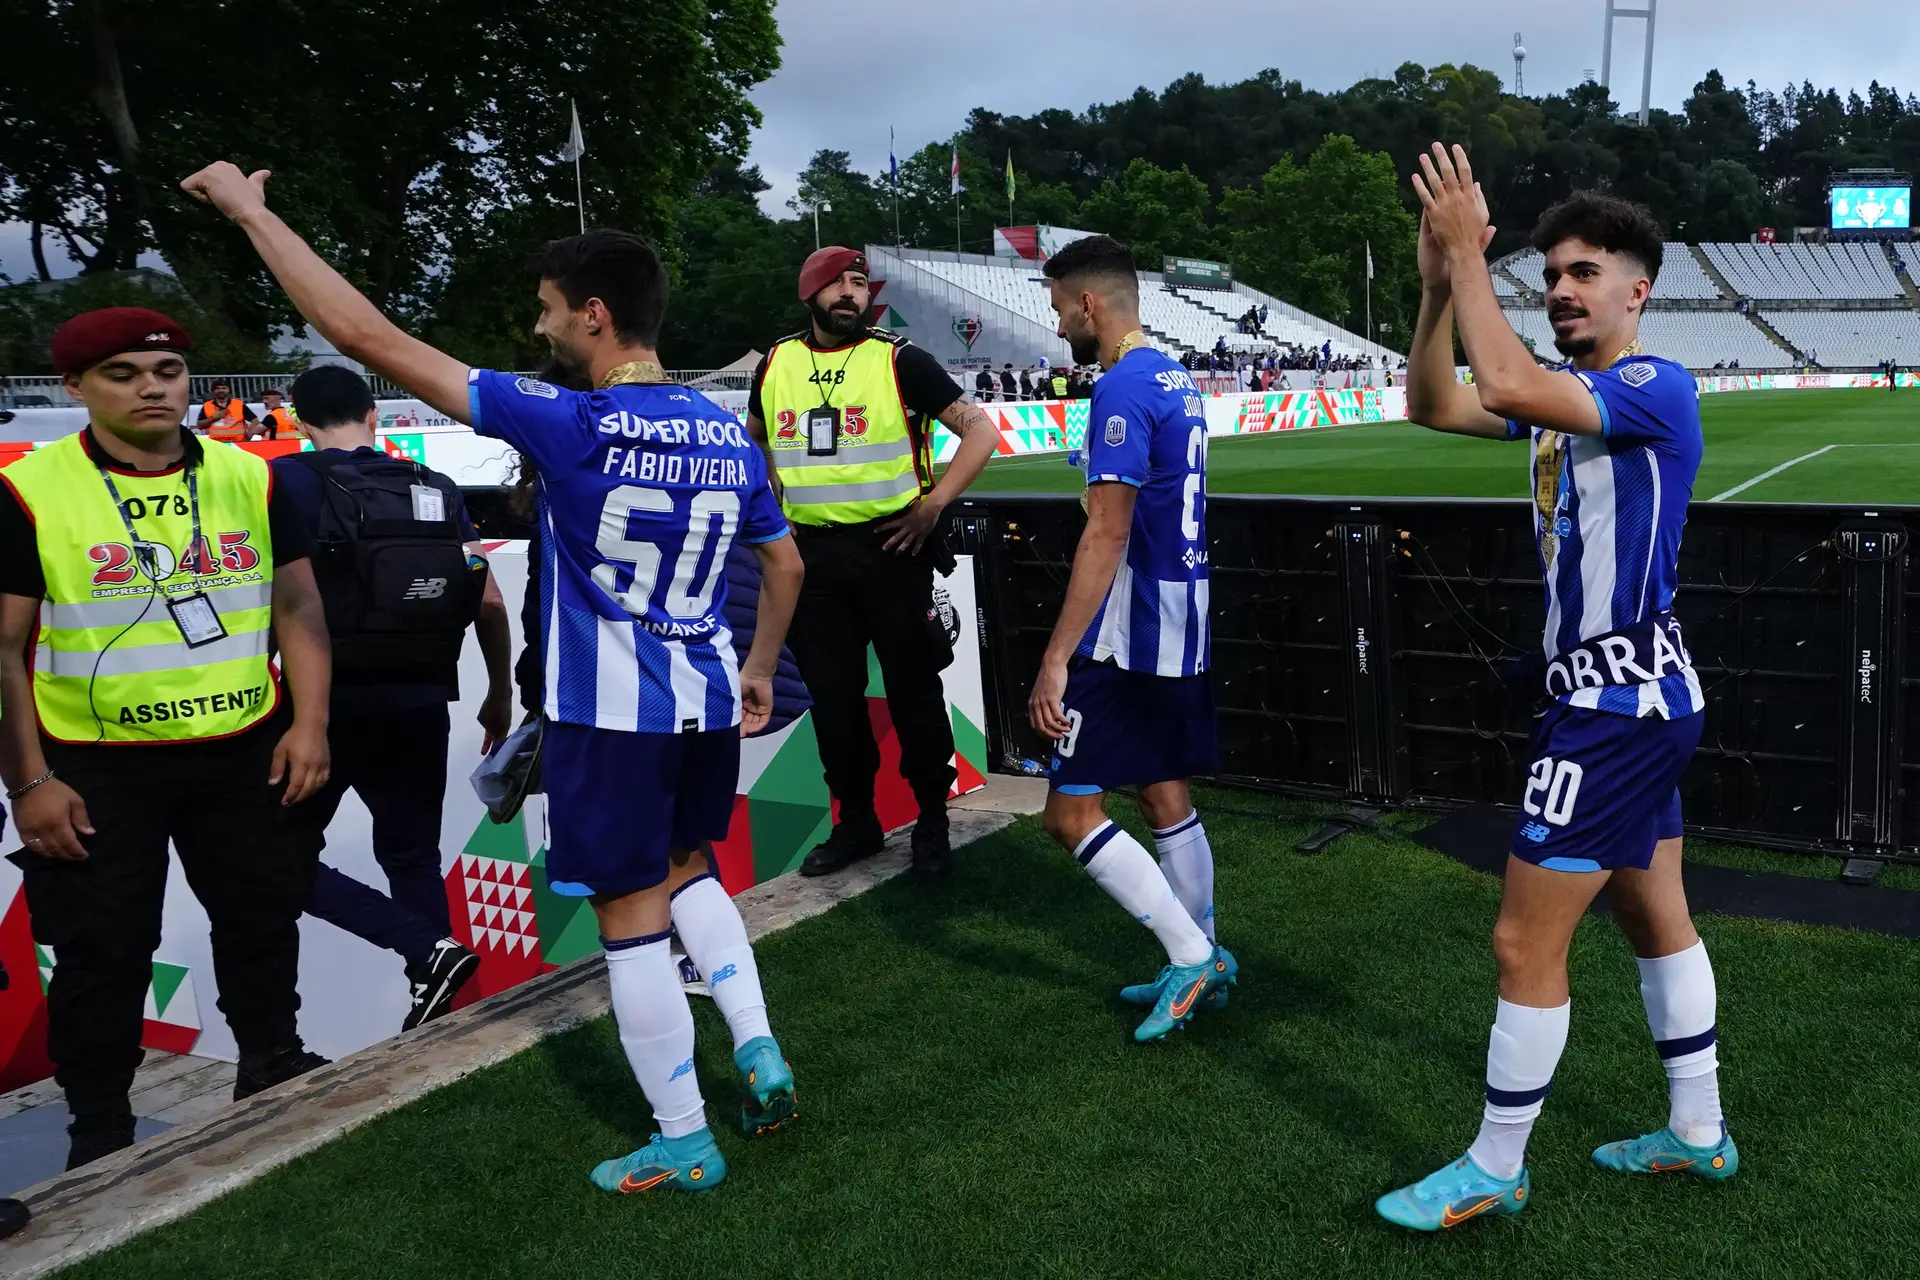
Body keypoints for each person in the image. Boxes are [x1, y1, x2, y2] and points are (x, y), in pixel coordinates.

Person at [184, 160, 807, 1197]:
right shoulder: (722, 428)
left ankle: (684, 1134)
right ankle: (756, 1044)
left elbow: (368, 340)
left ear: (596, 316)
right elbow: (783, 562)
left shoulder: (573, 420)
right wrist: (754, 665)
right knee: (691, 864)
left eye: (550, 311)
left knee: (629, 915)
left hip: (609, 712)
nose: (540, 328)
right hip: (702, 695)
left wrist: (254, 214)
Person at [1377, 148, 1727, 1233]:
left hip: (1613, 710)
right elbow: (1434, 402)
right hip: (1634, 699)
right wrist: (1441, 285)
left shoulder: (1649, 383)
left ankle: (1495, 1163)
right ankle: (1698, 1130)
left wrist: (1473, 255)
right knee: (1651, 908)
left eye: (1584, 272)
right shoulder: (1567, 405)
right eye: (1551, 277)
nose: (1564, 289)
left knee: (1524, 944)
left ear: (1640, 289)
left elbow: (1508, 381)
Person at [0, 306, 334, 1170]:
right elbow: (3, 649)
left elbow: (299, 607)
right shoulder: (30, 489)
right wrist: (30, 781)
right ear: (73, 387)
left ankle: (271, 1068)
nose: (152, 387)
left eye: (167, 371)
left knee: (262, 922)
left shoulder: (251, 476)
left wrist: (307, 724)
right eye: (121, 373)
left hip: (242, 747)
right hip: (95, 765)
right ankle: (100, 1127)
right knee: (103, 951)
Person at [1026, 234, 1234, 1042]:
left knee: (1069, 814)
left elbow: (1106, 534)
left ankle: (1191, 956)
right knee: (1161, 791)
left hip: (1133, 626)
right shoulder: (1176, 375)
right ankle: (1201, 953)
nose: (1057, 328)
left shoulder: (1120, 388)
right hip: (1184, 615)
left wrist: (1054, 660)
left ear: (1088, 304)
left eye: (1057, 309)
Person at [744, 247, 999, 880]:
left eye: (860, 283)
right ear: (811, 293)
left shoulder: (899, 357)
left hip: (892, 549)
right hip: (811, 557)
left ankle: (932, 821)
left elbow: (982, 432)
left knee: (915, 692)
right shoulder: (776, 361)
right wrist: (770, 512)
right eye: (839, 284)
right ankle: (856, 822)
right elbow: (752, 441)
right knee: (834, 701)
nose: (853, 294)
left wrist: (934, 505)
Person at [276, 364, 514, 1031]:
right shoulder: (432, 486)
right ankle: (441, 1007)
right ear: (374, 417)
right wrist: (498, 692)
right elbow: (487, 599)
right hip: (420, 699)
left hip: (323, 707)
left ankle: (424, 950)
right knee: (412, 856)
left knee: (274, 856)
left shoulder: (286, 482)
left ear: (298, 421)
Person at [195, 378, 256, 442]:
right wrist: (213, 418)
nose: (221, 390)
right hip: (217, 444)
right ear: (213, 391)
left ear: (228, 390)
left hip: (238, 444)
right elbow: (199, 426)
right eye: (217, 388)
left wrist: (248, 436)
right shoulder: (207, 405)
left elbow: (255, 420)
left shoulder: (239, 404)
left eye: (224, 388)